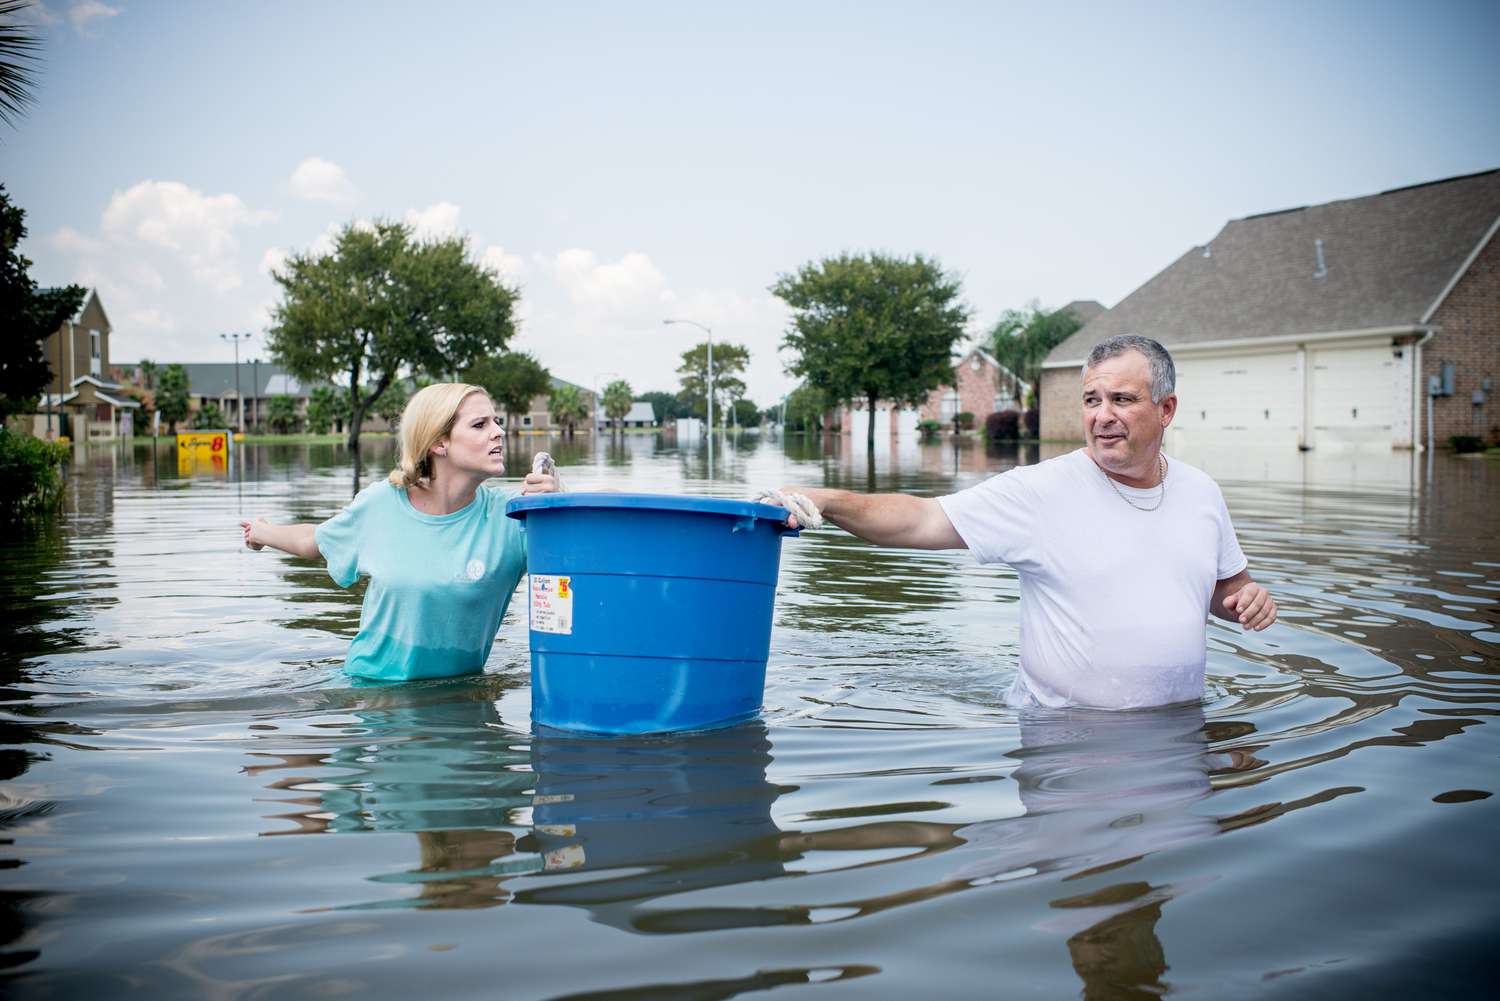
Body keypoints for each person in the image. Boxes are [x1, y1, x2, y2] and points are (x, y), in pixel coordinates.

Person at [778, 334, 1277, 709]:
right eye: (1091, 400)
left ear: (1165, 409)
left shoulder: (1201, 493)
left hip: (1180, 734)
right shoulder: (1042, 491)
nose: (1102, 415)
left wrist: (1246, 603)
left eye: (1121, 400)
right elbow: (920, 520)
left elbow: (1226, 590)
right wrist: (827, 500)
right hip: (1063, 741)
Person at [241, 383, 559, 682]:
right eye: (480, 425)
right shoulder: (382, 504)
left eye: (496, 421)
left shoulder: (516, 516)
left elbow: (596, 541)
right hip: (371, 692)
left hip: (460, 709)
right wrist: (261, 531)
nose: (499, 432)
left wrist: (561, 503)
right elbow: (313, 542)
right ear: (439, 442)